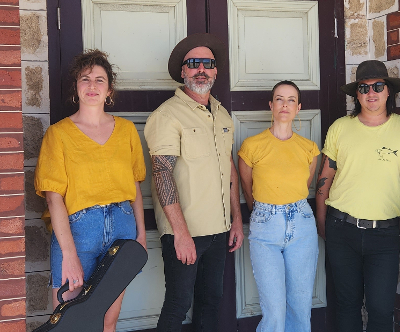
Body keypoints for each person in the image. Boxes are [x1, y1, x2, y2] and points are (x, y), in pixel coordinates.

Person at [315, 60, 400, 332]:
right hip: (341, 229)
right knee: (347, 305)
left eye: (377, 86)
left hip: (383, 235)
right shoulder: (340, 128)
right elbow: (325, 180)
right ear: (356, 94)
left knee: (381, 309)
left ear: (388, 92)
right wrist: (322, 222)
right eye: (363, 87)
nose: (370, 92)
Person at [34, 49, 147, 332]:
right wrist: (69, 256)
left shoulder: (126, 130)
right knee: (71, 323)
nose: (92, 86)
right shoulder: (58, 134)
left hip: (122, 228)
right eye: (85, 79)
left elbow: (134, 185)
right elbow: (53, 197)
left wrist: (141, 236)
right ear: (76, 86)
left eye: (100, 79)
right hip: (78, 231)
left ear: (109, 89)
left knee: (108, 320)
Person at [143, 33, 244, 332]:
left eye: (208, 63)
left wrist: (236, 220)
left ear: (215, 71)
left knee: (211, 303)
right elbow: (162, 173)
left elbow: (230, 169)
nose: (202, 69)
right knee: (177, 305)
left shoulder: (223, 114)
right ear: (183, 71)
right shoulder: (166, 115)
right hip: (185, 232)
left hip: (219, 229)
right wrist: (181, 233)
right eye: (194, 63)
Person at [238, 81, 319, 332]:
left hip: (302, 225)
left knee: (300, 304)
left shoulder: (309, 149)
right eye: (280, 99)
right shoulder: (252, 146)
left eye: (291, 100)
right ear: (271, 105)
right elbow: (247, 187)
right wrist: (266, 212)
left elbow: (303, 185)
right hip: (265, 225)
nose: (285, 104)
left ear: (298, 108)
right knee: (273, 309)